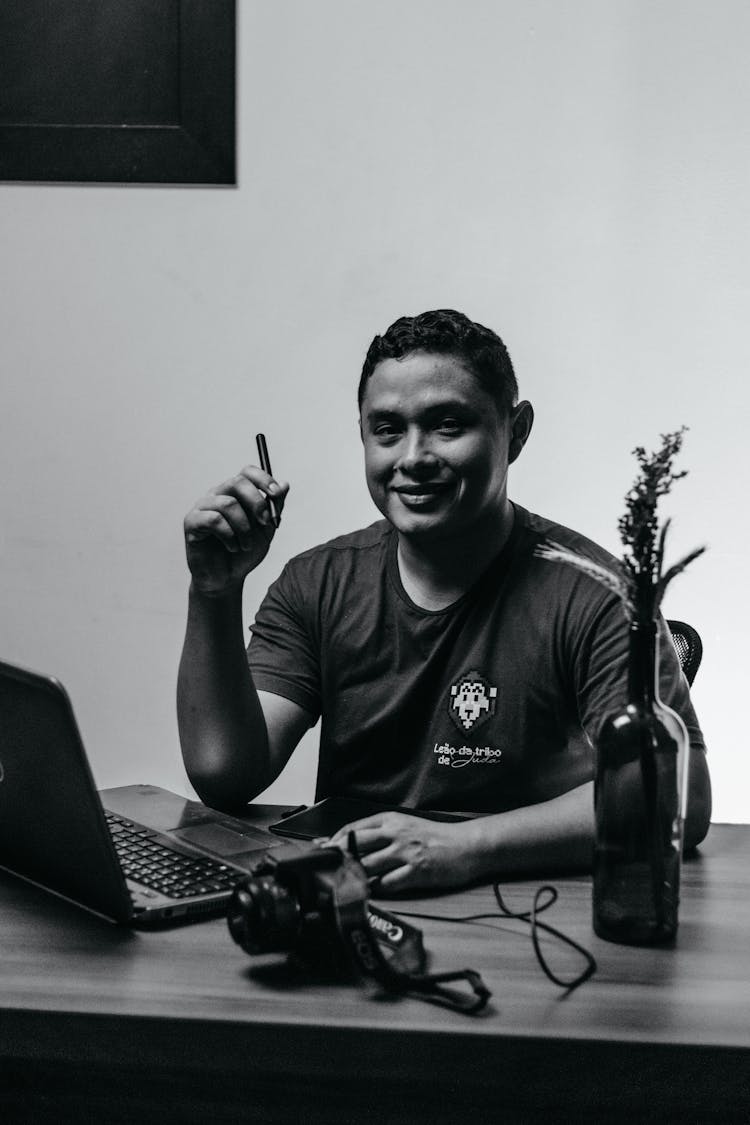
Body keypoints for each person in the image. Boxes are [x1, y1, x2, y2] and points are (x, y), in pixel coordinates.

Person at [177, 309, 711, 894]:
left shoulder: (597, 593)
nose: (413, 457)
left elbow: (678, 795)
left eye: (448, 425)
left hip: (530, 913)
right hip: (362, 904)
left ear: (517, 432)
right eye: (387, 430)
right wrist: (215, 592)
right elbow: (224, 776)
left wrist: (467, 848)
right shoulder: (316, 583)